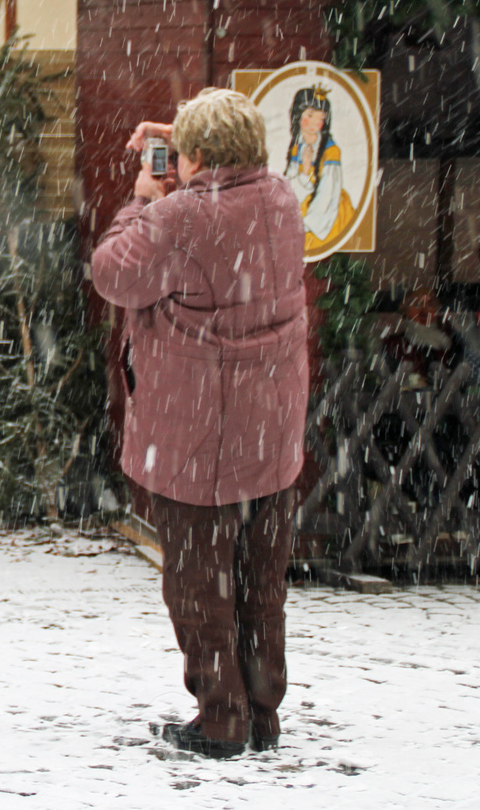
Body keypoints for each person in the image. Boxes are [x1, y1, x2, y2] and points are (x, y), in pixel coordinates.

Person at [91, 88, 309, 759]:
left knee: (197, 583)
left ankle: (221, 718)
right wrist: (190, 141)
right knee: (258, 582)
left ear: (198, 157)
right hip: (269, 434)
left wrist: (141, 202)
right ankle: (261, 712)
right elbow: (225, 186)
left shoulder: (177, 218)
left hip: (197, 437)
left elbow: (112, 275)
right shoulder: (280, 199)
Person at [283, 85, 356, 252]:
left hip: (324, 212)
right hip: (300, 205)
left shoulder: (330, 151)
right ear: (298, 116)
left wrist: (308, 223)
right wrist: (305, 171)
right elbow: (289, 188)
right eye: (310, 115)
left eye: (320, 118)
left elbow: (328, 192)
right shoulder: (297, 147)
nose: (316, 122)